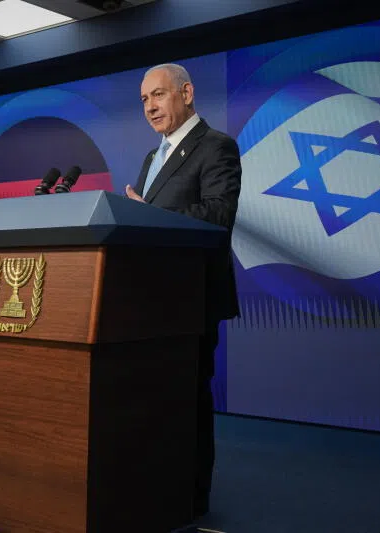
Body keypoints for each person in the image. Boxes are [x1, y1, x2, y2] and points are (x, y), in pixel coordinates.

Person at [125, 63, 242, 519]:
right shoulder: (152, 158)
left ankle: (192, 497)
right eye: (144, 100)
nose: (150, 106)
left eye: (158, 95)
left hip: (192, 298)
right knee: (151, 398)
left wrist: (147, 216)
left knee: (188, 398)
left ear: (187, 93)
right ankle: (155, 482)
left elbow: (218, 214)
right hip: (147, 300)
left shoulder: (217, 147)